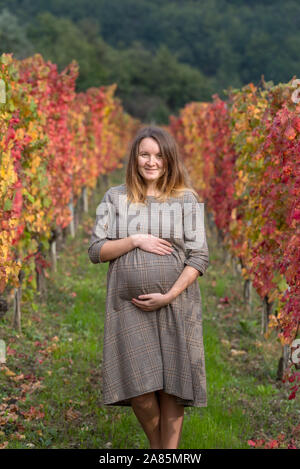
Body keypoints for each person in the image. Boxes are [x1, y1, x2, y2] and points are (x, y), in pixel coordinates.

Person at [88, 125, 209, 449]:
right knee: (141, 392)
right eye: (145, 154)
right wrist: (134, 239)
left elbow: (200, 257)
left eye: (158, 155)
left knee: (172, 388)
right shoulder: (115, 197)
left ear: (168, 160)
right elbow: (95, 251)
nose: (151, 161)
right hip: (129, 307)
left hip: (176, 304)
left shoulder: (187, 199)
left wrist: (169, 295)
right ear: (135, 158)